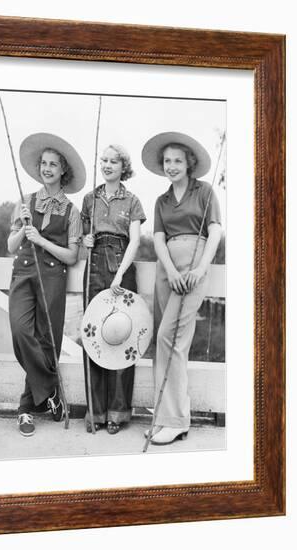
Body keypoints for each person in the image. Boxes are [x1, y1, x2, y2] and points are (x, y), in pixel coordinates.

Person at [141, 132, 222, 445]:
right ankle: (164, 418)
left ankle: (177, 420)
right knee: (164, 342)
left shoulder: (204, 192)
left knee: (169, 338)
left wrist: (200, 268)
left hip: (193, 269)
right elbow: (159, 239)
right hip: (168, 270)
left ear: (189, 163)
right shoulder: (161, 200)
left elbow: (214, 232)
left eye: (177, 160)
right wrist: (171, 270)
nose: (171, 166)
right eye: (166, 161)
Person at [8, 133, 85, 437]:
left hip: (53, 277)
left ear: (63, 170)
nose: (47, 168)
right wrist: (23, 227)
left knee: (46, 341)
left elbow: (72, 254)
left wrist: (41, 240)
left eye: (53, 164)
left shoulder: (72, 212)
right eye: (44, 163)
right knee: (19, 330)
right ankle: (52, 390)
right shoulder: (25, 201)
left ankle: (26, 409)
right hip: (23, 273)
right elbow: (12, 245)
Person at [81, 144, 146, 434]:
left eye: (113, 161)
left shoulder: (132, 200)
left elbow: (134, 241)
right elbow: (82, 236)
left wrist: (119, 274)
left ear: (124, 167)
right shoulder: (89, 199)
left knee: (122, 334)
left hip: (122, 264)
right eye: (103, 160)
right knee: (93, 335)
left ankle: (117, 414)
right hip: (93, 265)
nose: (107, 165)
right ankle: (95, 412)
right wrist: (85, 242)